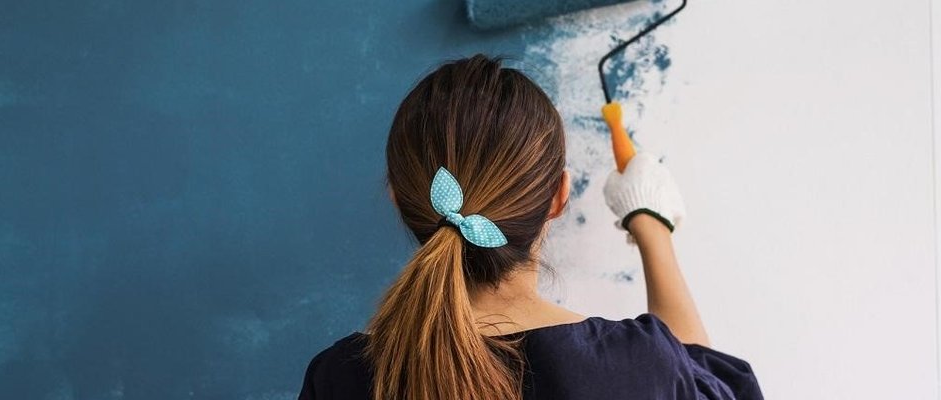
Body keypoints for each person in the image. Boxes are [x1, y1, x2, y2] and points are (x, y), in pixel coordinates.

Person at [297, 55, 762, 400]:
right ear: (559, 197)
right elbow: (715, 380)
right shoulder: (636, 367)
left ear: (399, 199)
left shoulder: (339, 378)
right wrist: (650, 223)